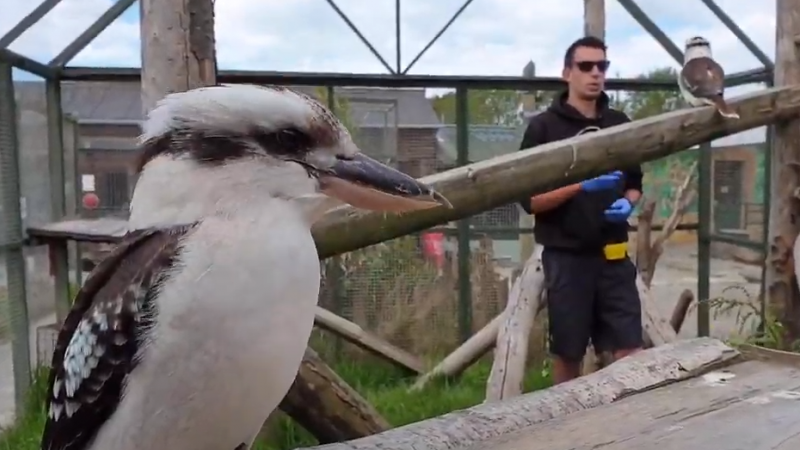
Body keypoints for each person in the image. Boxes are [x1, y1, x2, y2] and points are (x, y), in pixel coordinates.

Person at [518, 36, 644, 385]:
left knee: (630, 349)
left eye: (602, 66)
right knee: (568, 354)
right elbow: (531, 202)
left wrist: (628, 202)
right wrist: (580, 187)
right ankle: (565, 429)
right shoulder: (543, 129)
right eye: (585, 66)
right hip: (567, 258)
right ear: (566, 73)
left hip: (615, 256)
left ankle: (631, 428)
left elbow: (635, 181)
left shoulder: (619, 123)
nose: (595, 74)